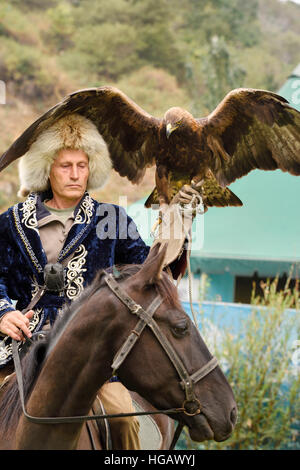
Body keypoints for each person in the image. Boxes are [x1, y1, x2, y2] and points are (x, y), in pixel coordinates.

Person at [0, 113, 202, 449]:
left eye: (83, 164)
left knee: (123, 417)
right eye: (66, 165)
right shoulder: (10, 222)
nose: (76, 174)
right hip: (18, 352)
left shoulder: (112, 219)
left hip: (91, 360)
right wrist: (5, 313)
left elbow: (147, 274)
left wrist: (174, 230)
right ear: (47, 169)